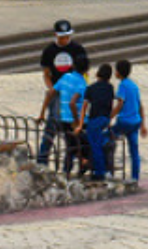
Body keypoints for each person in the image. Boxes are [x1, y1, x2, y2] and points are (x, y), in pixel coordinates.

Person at [37, 20, 89, 165]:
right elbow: (46, 73)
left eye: (67, 36)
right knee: (52, 125)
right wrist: (51, 89)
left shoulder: (77, 49)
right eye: (62, 37)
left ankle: (72, 160)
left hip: (74, 92)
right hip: (57, 91)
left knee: (71, 128)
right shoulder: (49, 51)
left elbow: (85, 72)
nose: (65, 39)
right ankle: (42, 159)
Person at [56, 56, 90, 176]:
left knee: (70, 147)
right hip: (76, 120)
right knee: (85, 146)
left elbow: (52, 91)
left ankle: (67, 172)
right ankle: (81, 169)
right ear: (86, 70)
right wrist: (77, 122)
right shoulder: (82, 83)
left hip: (64, 119)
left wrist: (44, 112)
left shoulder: (65, 77)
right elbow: (72, 103)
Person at [112, 60, 146, 182]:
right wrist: (143, 125)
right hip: (135, 121)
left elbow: (120, 102)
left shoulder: (123, 85)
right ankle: (135, 177)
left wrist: (110, 116)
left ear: (119, 73)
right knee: (134, 151)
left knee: (107, 139)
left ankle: (107, 169)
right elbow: (140, 105)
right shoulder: (134, 85)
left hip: (124, 122)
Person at [83, 64, 117, 180]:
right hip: (105, 119)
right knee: (101, 143)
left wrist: (80, 123)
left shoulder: (91, 88)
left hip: (94, 120)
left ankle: (99, 172)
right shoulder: (110, 88)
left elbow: (84, 106)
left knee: (95, 146)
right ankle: (104, 168)